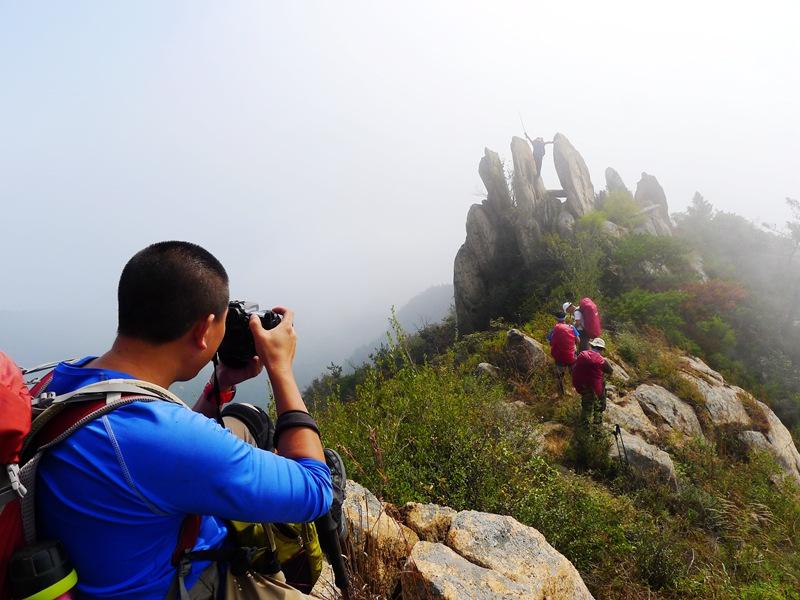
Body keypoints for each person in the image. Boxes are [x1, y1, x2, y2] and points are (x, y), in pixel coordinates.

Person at [35, 241, 332, 600]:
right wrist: (280, 369)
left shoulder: (63, 379)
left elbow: (155, 454)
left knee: (243, 420)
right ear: (204, 329)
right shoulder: (163, 438)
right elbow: (315, 490)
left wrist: (218, 388)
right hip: (180, 585)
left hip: (101, 559)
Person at [571, 337, 614, 430]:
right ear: (602, 349)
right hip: (595, 389)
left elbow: (575, 368)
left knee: (586, 408)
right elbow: (610, 371)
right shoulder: (602, 360)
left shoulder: (582, 355)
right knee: (600, 403)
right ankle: (597, 426)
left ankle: (583, 430)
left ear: (592, 346)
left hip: (581, 387)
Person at [546, 311, 580, 395]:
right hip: (572, 356)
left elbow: (550, 342)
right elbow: (578, 341)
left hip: (559, 357)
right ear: (565, 318)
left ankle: (560, 394)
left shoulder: (554, 329)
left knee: (559, 376)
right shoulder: (571, 327)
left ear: (556, 319)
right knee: (574, 374)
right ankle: (576, 391)